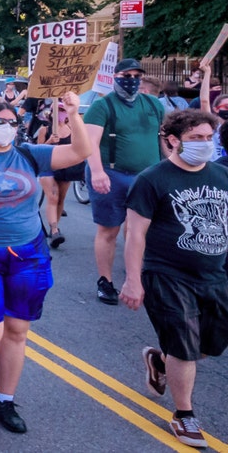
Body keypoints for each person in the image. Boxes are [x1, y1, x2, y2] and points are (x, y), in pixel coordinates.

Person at [0, 94, 91, 434]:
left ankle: (3, 401)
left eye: (13, 123)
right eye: (0, 123)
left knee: (17, 331)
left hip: (28, 254)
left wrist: (74, 115)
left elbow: (80, 152)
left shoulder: (29, 155)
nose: (7, 128)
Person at [121, 109, 228, 449]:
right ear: (172, 140)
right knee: (185, 345)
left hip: (215, 274)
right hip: (167, 274)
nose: (205, 144)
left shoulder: (223, 175)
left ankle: (159, 360)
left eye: (209, 138)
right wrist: (133, 280)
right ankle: (185, 415)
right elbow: (135, 234)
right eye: (197, 138)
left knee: (207, 347)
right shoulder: (153, 179)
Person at [84, 58, 166, 305]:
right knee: (109, 229)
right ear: (115, 77)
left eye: (136, 75)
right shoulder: (102, 106)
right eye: (126, 75)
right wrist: (97, 172)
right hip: (113, 174)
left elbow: (162, 138)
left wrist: (172, 165)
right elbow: (91, 144)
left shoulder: (153, 104)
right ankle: (105, 281)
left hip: (147, 176)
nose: (131, 80)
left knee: (140, 229)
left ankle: (136, 277)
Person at [37, 100, 85, 248]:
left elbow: (80, 146)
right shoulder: (45, 129)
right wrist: (50, 141)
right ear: (52, 112)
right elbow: (37, 150)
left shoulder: (71, 128)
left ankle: (54, 227)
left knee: (60, 198)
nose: (61, 113)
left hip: (65, 166)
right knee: (53, 196)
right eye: (59, 110)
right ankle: (54, 229)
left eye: (63, 110)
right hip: (48, 166)